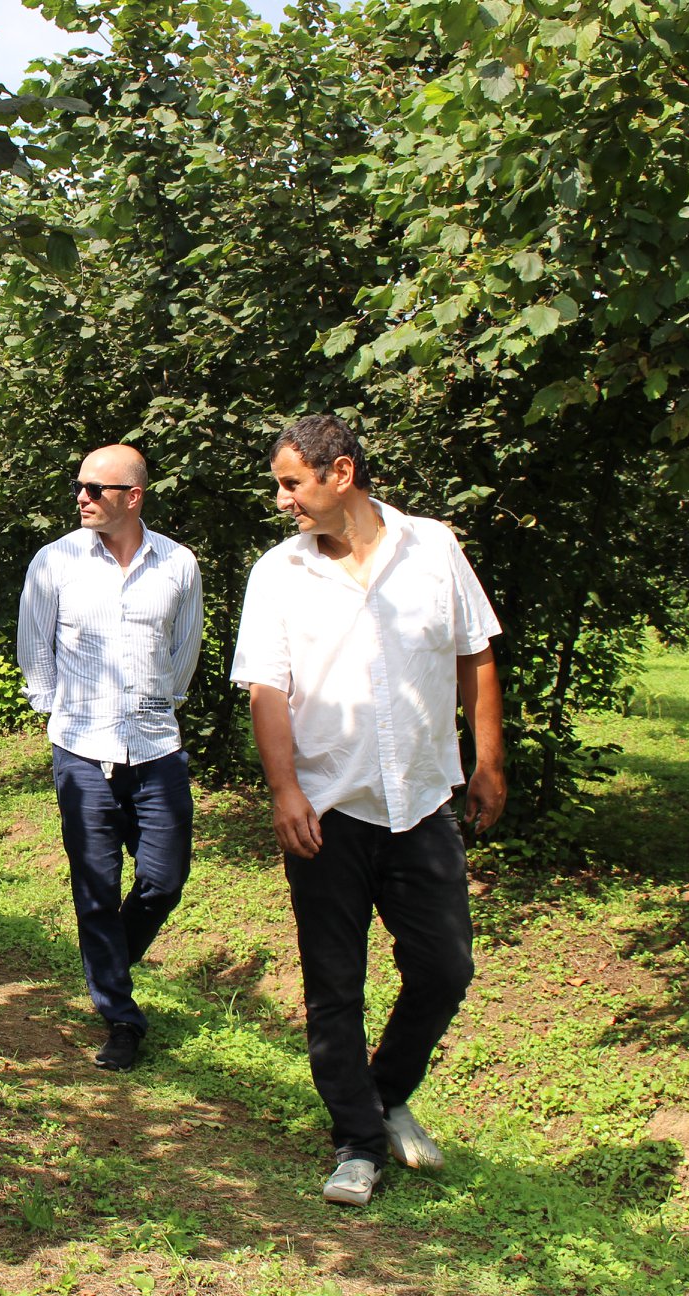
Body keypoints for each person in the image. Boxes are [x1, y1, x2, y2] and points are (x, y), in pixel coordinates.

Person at [229, 414, 505, 1207]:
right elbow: (267, 689)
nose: (282, 500)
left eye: (292, 484)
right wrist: (285, 790)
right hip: (328, 810)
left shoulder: (433, 549)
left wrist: (489, 762)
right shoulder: (278, 573)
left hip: (421, 802)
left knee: (446, 968)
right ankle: (356, 1143)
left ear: (341, 474)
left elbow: (476, 652)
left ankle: (385, 1093)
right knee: (335, 985)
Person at [17, 445, 203, 1072]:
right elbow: (34, 650)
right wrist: (59, 716)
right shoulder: (55, 561)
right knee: (96, 888)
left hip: (156, 748)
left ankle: (106, 960)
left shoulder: (177, 563)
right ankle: (121, 1017)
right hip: (81, 750)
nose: (83, 496)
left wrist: (158, 706)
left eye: (97, 488)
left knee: (164, 880)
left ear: (133, 496)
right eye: (79, 485)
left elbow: (183, 652)